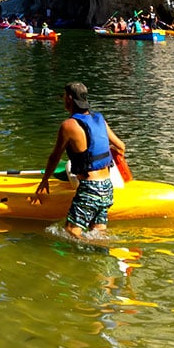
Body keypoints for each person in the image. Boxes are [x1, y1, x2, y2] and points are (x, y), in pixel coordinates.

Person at [31, 81, 127, 241]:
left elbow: (54, 157)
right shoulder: (99, 119)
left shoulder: (68, 126)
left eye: (63, 96)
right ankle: (103, 258)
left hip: (90, 189)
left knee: (70, 232)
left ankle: (93, 253)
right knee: (98, 234)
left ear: (69, 98)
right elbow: (121, 147)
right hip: (107, 187)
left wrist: (44, 180)